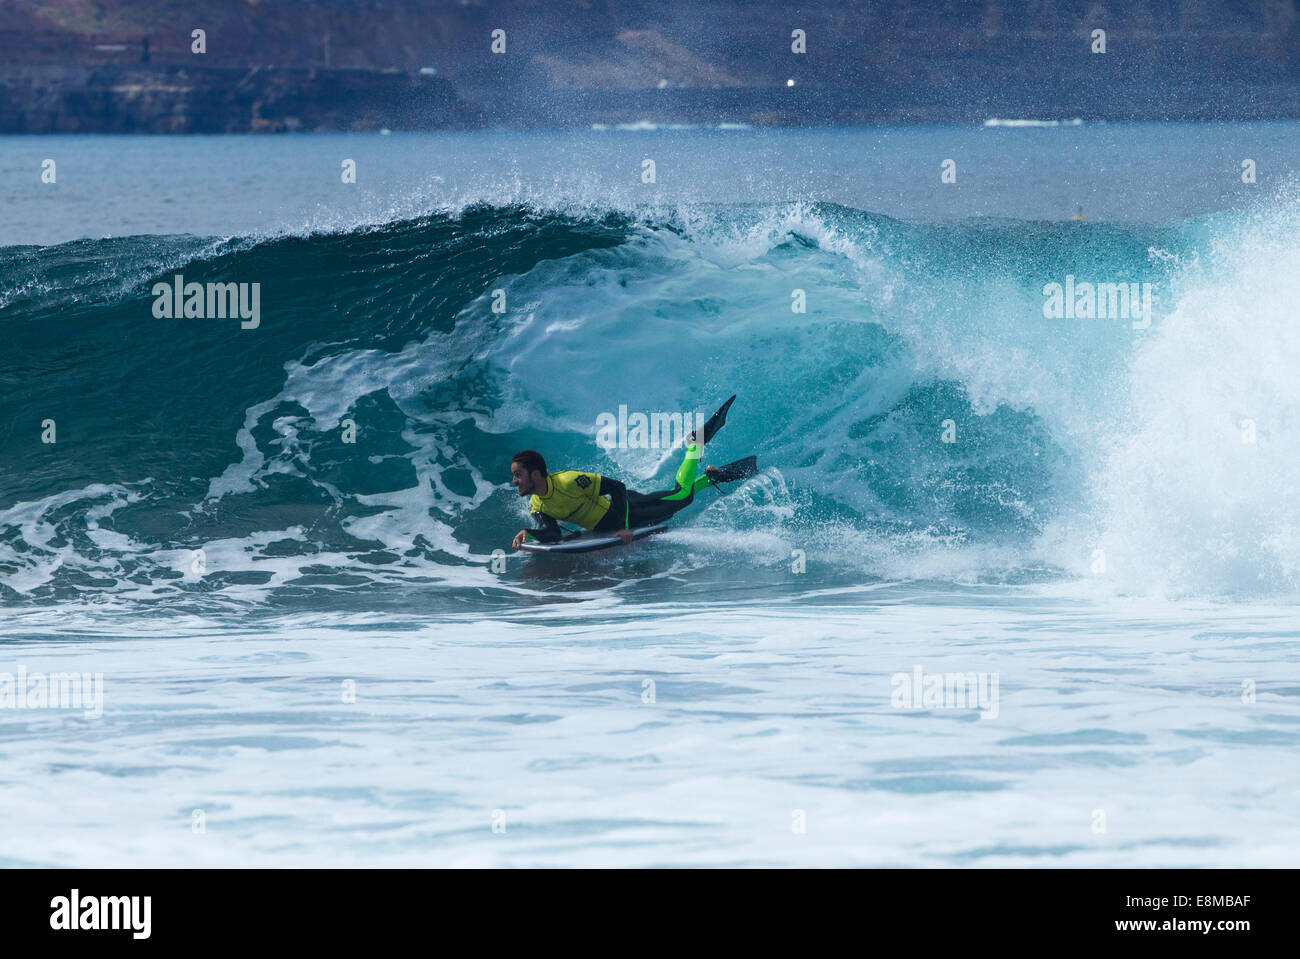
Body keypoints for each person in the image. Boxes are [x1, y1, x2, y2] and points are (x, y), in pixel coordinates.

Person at [509, 396, 758, 549]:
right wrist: (528, 533)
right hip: (623, 519)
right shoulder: (536, 504)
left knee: (683, 496)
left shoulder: (569, 480)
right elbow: (551, 533)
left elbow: (616, 487)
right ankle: (711, 477)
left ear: (536, 474)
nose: (514, 481)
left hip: (629, 509)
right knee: (676, 503)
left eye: (518, 475)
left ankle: (695, 444)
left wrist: (623, 526)